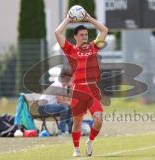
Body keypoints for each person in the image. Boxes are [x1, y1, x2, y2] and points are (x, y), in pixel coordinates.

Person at [55, 12, 108, 157]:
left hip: (92, 89)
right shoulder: (70, 50)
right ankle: (76, 149)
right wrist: (67, 18)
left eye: (86, 34)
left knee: (98, 119)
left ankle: (90, 141)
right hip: (79, 90)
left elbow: (104, 30)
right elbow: (57, 32)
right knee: (77, 121)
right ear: (75, 37)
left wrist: (89, 18)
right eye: (82, 35)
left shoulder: (93, 47)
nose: (85, 37)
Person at [38, 67, 72, 135]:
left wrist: (70, 88)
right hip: (43, 108)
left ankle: (70, 129)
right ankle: (61, 130)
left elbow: (68, 100)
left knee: (69, 107)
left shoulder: (64, 86)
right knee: (64, 108)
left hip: (50, 107)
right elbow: (61, 101)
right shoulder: (58, 85)